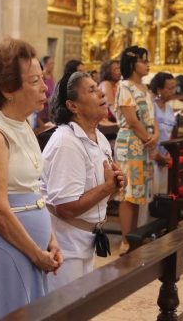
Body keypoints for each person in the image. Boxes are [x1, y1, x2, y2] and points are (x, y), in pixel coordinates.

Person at [0, 38, 63, 321]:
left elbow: (33, 189)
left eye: (43, 78)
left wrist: (51, 239)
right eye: (35, 80)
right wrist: (36, 253)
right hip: (4, 250)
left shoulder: (21, 125)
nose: (45, 87)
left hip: (29, 248)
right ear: (8, 89)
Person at [41, 71, 125, 291]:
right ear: (73, 106)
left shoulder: (100, 139)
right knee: (62, 310)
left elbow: (98, 193)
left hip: (85, 240)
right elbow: (65, 208)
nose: (101, 94)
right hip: (64, 245)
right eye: (91, 90)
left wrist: (114, 185)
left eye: (98, 87)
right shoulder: (66, 142)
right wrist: (107, 187)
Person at [114, 46, 159, 255]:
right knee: (128, 192)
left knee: (140, 191)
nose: (147, 64)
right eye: (143, 60)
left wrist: (155, 135)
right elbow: (131, 120)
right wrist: (149, 139)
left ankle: (136, 236)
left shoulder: (145, 87)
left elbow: (152, 116)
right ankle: (126, 239)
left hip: (144, 143)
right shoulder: (125, 86)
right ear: (132, 64)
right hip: (131, 143)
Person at [149, 72, 177, 194]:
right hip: (152, 157)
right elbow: (148, 133)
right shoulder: (151, 106)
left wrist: (169, 154)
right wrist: (156, 155)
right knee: (151, 194)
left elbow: (170, 133)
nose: (173, 91)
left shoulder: (170, 109)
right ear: (159, 89)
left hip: (164, 157)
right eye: (169, 88)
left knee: (162, 193)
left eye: (174, 88)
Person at [37, 55, 55, 124]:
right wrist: (47, 100)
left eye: (53, 63)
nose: (53, 65)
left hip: (50, 109)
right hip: (42, 108)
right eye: (51, 63)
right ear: (44, 64)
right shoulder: (42, 76)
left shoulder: (52, 76)